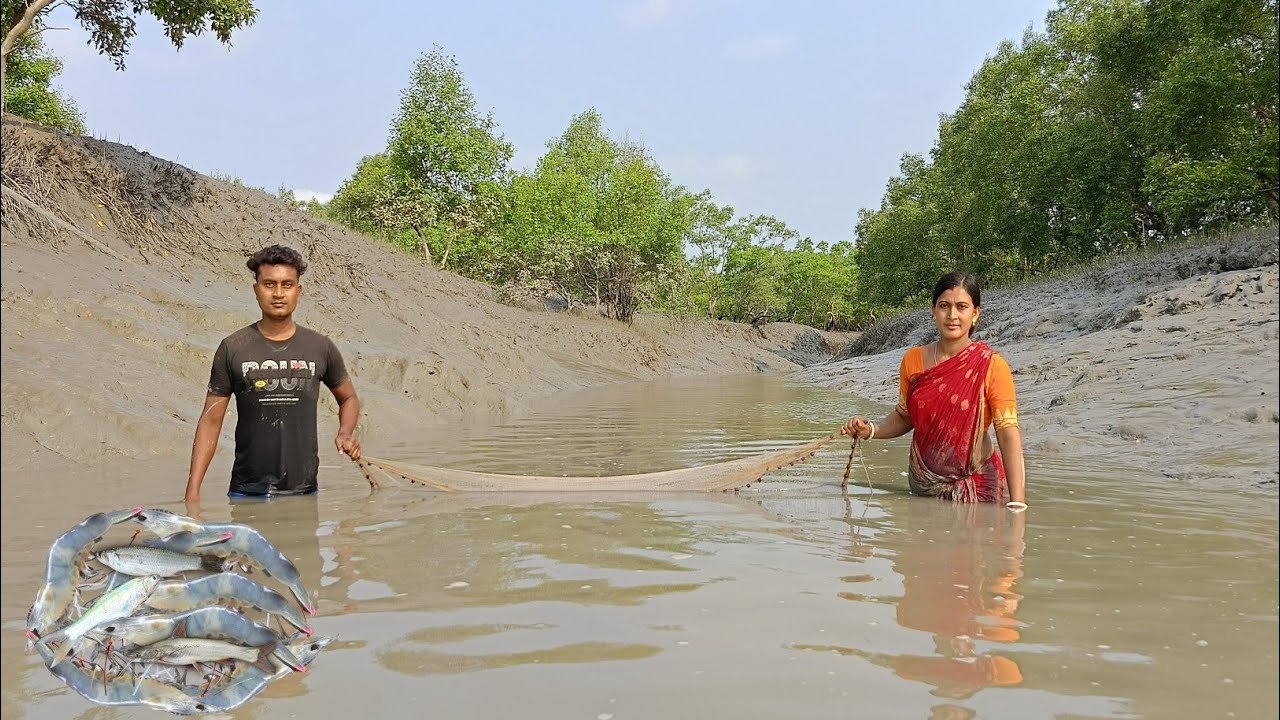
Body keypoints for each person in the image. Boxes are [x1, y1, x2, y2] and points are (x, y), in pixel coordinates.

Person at [184, 244, 362, 502]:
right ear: (256, 290)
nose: (278, 293)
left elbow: (349, 398)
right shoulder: (233, 347)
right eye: (269, 284)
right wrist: (192, 494)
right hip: (246, 492)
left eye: (287, 285)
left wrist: (345, 432)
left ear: (298, 291)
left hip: (304, 493)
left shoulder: (320, 347)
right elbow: (210, 422)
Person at [841, 272, 1027, 508]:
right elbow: (904, 416)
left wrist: (1018, 504)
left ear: (975, 314)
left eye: (961, 307)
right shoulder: (913, 360)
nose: (952, 316)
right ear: (933, 310)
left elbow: (1008, 433)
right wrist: (870, 430)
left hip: (978, 488)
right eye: (944, 306)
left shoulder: (990, 366)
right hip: (923, 485)